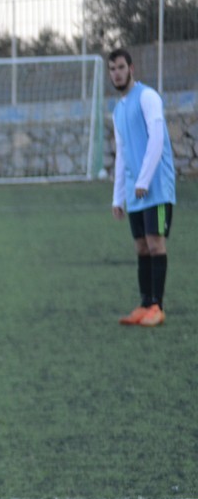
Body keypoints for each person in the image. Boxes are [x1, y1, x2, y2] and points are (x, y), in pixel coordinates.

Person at [108, 48, 176, 327]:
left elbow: (157, 139)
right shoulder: (118, 111)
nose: (117, 73)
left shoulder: (148, 97)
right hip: (135, 191)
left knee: (155, 243)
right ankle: (145, 304)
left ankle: (157, 307)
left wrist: (144, 180)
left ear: (131, 69)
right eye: (112, 69)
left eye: (121, 67)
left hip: (155, 187)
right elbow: (122, 155)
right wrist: (118, 197)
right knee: (141, 247)